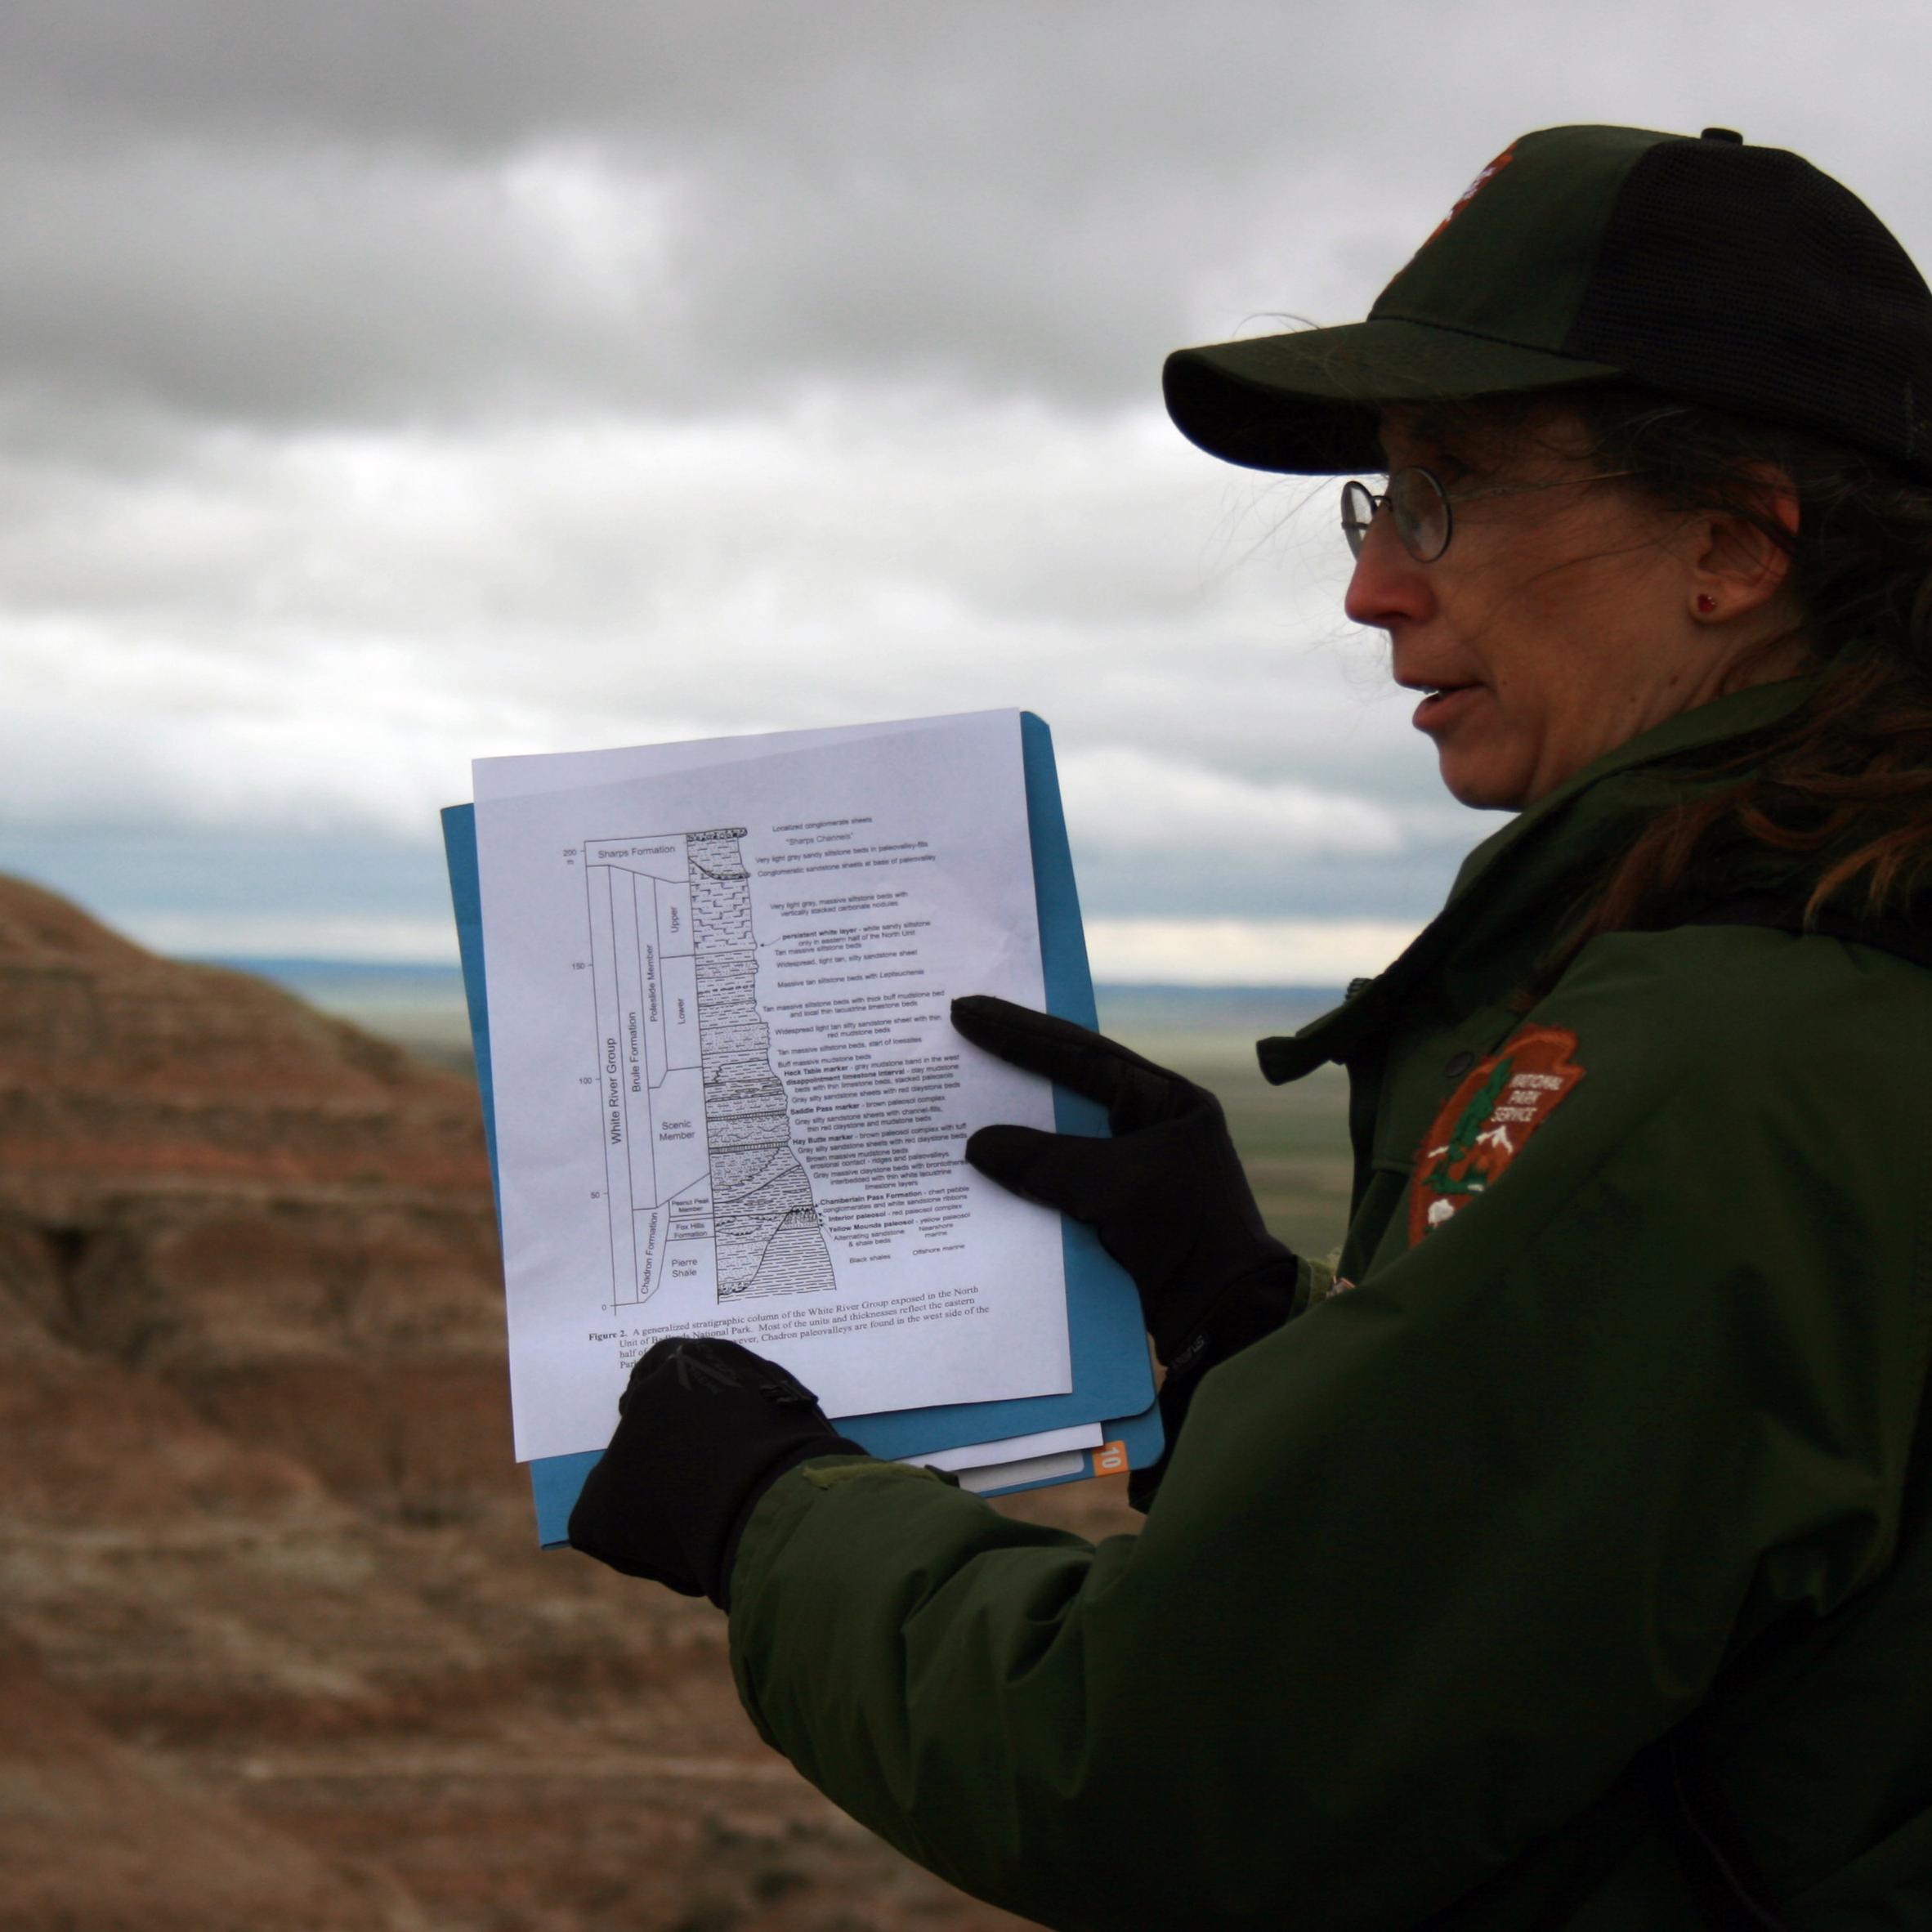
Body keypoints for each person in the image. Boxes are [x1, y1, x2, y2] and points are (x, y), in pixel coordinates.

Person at [566, 125, 1932, 1930]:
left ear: (1733, 544)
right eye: (1380, 505)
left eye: (1445, 494)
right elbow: (1633, 1565)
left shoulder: (1716, 1065)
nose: (1372, 586)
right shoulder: (1848, 961)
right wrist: (1241, 1328)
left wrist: (765, 1512)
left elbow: (1159, 1770)